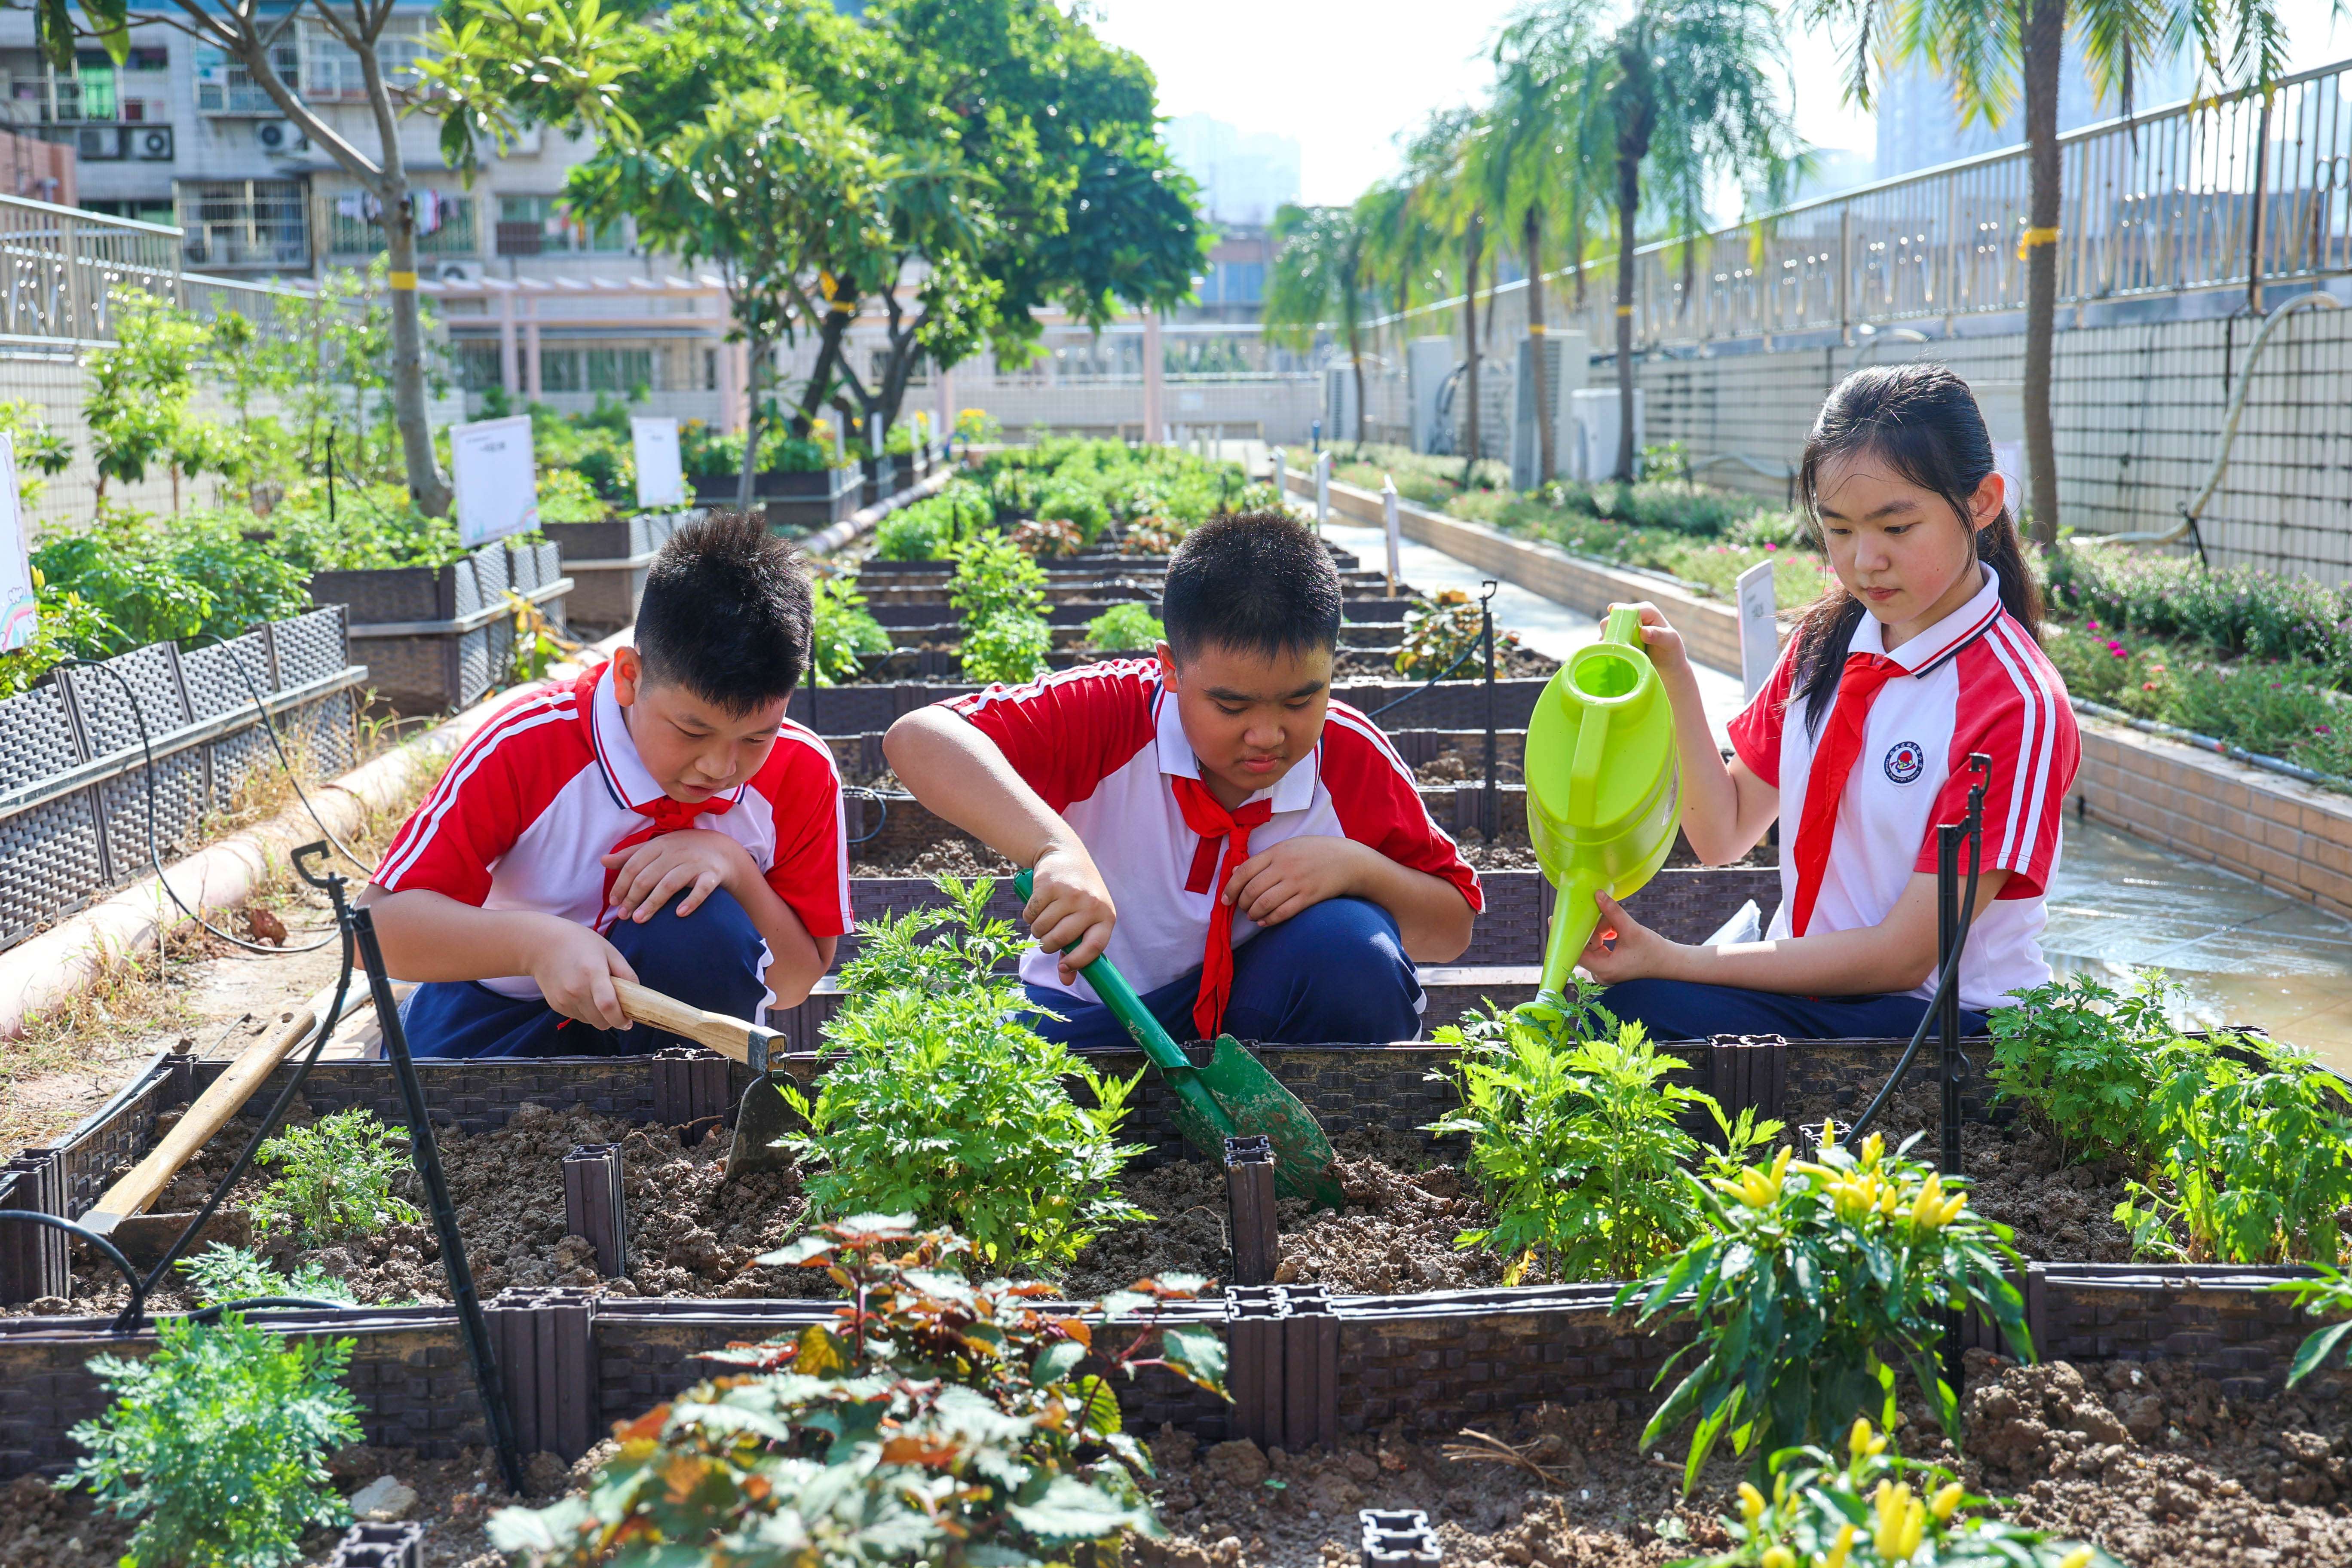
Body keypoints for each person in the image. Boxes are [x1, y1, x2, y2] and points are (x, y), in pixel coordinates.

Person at [1585, 363, 2077, 1040]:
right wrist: (1674, 677)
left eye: (1897, 529)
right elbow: (1722, 832)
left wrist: (1677, 960)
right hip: (1824, 993)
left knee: (1630, 1019)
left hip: (1948, 1025)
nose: (1864, 561)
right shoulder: (1825, 643)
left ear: (1984, 503)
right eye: (1839, 530)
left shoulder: (2013, 702)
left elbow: (1905, 957)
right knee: (1611, 1018)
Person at [885, 509, 1481, 1047]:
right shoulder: (1110, 713)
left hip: (1262, 1015)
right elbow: (919, 738)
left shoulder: (1348, 756)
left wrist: (1356, 869)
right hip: (1091, 1012)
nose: (1268, 735)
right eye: (1231, 707)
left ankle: (1332, 1147)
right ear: (1169, 667)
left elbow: (1451, 928)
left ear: (1332, 667)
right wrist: (1053, 849)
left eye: (1302, 700)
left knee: (1353, 948)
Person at [365, 513, 851, 1058]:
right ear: (628, 676)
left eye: (757, 738)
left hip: (667, 1039)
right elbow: (374, 930)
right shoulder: (527, 746)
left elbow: (795, 981)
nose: (721, 767)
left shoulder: (800, 770)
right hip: (493, 1018)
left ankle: (683, 1119)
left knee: (702, 927)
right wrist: (538, 945)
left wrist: (735, 868)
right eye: (693, 730)